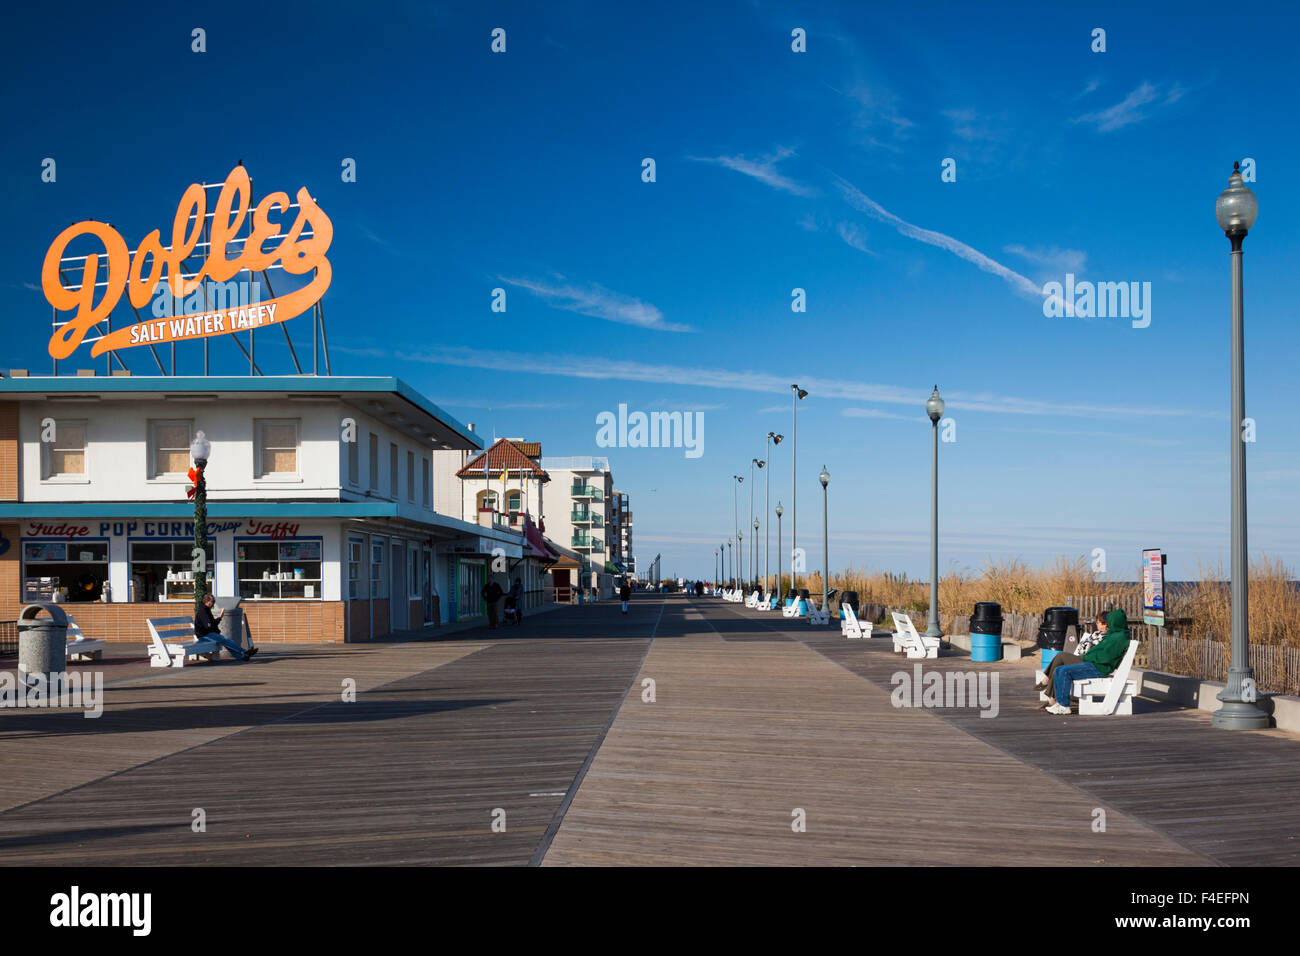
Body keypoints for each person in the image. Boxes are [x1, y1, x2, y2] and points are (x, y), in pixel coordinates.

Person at [1046, 608, 1131, 714]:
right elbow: (1098, 650)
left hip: (1099, 668)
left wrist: (1087, 657)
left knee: (1064, 671)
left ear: (1115, 621)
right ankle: (1059, 703)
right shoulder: (1114, 635)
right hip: (1094, 664)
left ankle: (1064, 705)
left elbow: (1106, 657)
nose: (1108, 623)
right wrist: (1089, 656)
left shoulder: (1119, 637)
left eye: (1110, 621)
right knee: (1059, 669)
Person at [1034, 612, 1108, 705]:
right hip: (1082, 657)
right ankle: (1052, 696)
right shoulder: (1096, 633)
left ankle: (1047, 683)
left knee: (1061, 657)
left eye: (1098, 622)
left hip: (1087, 661)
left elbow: (1096, 651)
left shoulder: (1106, 636)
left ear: (1105, 624)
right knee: (1059, 663)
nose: (1096, 624)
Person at [194, 593, 257, 661]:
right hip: (204, 636)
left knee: (226, 642)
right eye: (213, 602)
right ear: (208, 602)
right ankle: (244, 651)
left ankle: (241, 657)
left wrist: (219, 618)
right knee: (225, 640)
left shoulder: (206, 609)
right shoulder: (203, 611)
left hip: (207, 634)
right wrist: (217, 621)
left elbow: (211, 624)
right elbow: (209, 625)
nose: (213, 604)